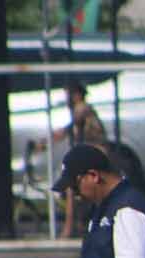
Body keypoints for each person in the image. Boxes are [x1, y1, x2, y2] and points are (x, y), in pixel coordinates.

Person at [46, 82, 107, 240]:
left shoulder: (83, 107)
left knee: (71, 188)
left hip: (95, 153)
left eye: (69, 95)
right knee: (76, 190)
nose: (67, 99)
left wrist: (60, 134)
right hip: (88, 153)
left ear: (77, 94)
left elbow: (72, 125)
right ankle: (79, 224)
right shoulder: (78, 109)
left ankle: (68, 228)